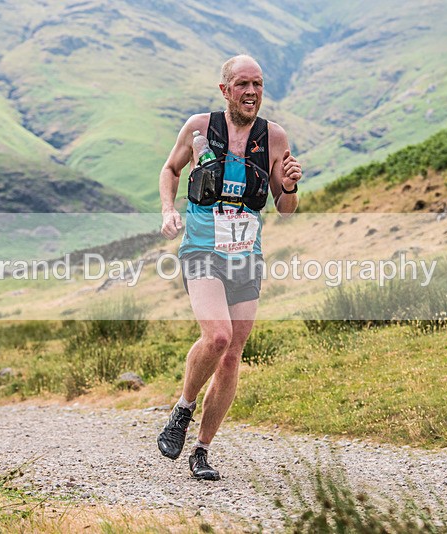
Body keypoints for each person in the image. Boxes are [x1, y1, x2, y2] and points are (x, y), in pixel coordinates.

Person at [157, 55, 302, 480]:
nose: (252, 92)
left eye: (257, 84)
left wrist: (291, 185)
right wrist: (168, 210)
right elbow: (170, 168)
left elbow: (286, 208)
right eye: (242, 84)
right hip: (202, 248)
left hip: (246, 255)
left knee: (233, 355)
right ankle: (182, 411)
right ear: (225, 90)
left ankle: (201, 450)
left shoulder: (274, 138)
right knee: (217, 336)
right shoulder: (198, 128)